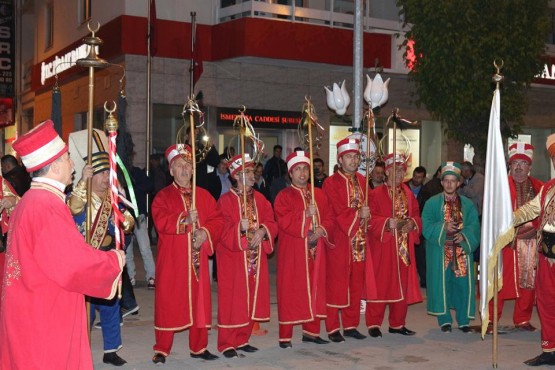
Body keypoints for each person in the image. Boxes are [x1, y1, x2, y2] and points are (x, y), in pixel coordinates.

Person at [0, 120, 125, 369]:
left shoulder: (29, 200)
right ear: (55, 165)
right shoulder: (46, 205)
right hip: (45, 313)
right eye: (68, 158)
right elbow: (70, 263)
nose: (72, 165)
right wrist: (113, 260)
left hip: (29, 306)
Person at [151, 144, 223, 364]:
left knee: (200, 302)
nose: (184, 170)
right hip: (173, 261)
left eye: (188, 165)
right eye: (180, 166)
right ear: (171, 170)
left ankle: (199, 347)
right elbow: (161, 222)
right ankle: (162, 348)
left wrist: (205, 232)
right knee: (168, 301)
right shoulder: (162, 197)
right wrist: (184, 219)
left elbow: (218, 220)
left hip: (198, 260)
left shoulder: (204, 196)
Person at [69, 149, 135, 366]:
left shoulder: (113, 198)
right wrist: (81, 182)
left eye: (109, 172)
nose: (107, 177)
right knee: (84, 309)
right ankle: (80, 349)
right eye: (102, 173)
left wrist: (125, 221)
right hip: (86, 259)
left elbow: (128, 223)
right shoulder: (81, 195)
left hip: (108, 258)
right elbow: (73, 207)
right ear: (91, 174)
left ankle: (111, 350)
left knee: (110, 305)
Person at [215, 153, 277, 358]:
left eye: (252, 171)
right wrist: (237, 229)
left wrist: (262, 230)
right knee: (232, 300)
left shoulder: (260, 198)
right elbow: (220, 230)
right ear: (236, 175)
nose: (253, 175)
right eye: (248, 172)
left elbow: (271, 221)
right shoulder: (225, 201)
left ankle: (242, 339)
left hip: (256, 260)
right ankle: (226, 343)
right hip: (234, 259)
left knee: (251, 299)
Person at [275, 151, 333, 349]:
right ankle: (285, 336)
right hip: (293, 252)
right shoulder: (283, 196)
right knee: (291, 292)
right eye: (297, 169)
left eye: (305, 169)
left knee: (315, 289)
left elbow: (330, 217)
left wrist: (321, 229)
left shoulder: (320, 194)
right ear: (290, 173)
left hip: (316, 252)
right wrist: (305, 214)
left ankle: (312, 332)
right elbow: (283, 221)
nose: (302, 173)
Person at [323, 137, 376, 343]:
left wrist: (367, 217)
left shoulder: (363, 182)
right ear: (340, 159)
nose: (353, 161)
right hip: (340, 241)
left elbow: (370, 210)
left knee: (356, 284)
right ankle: (332, 327)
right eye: (349, 157)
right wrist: (358, 214)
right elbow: (336, 211)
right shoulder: (331, 182)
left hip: (360, 242)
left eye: (356, 157)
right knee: (336, 285)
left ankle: (351, 324)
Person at [488, 143, 543, 334]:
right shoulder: (498, 187)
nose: (519, 167)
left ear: (530, 166)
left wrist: (532, 228)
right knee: (498, 281)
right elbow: (490, 214)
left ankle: (522, 319)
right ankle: (491, 318)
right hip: (505, 243)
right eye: (515, 163)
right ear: (509, 166)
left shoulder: (540, 187)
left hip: (529, 242)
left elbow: (546, 214)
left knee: (528, 282)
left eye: (523, 163)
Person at [367, 153, 422, 337]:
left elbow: (416, 214)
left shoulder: (408, 193)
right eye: (395, 170)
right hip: (383, 246)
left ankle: (397, 324)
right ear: (387, 172)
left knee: (403, 286)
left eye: (402, 170)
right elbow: (369, 220)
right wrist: (385, 223)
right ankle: (373, 323)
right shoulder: (375, 194)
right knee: (381, 284)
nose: (399, 174)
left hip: (403, 247)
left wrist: (412, 223)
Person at [421, 162, 480, 333]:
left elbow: (474, 225)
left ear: (459, 183)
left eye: (452, 181)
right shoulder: (432, 203)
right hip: (440, 251)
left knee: (462, 286)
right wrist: (443, 227)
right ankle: (444, 319)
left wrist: (465, 235)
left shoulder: (467, 204)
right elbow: (426, 224)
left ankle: (463, 320)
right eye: (446, 180)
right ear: (441, 182)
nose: (449, 184)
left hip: (461, 250)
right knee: (442, 285)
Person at [512, 134, 555, 366]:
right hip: (547, 256)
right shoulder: (548, 187)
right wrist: (507, 221)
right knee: (547, 304)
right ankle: (549, 350)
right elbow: (530, 211)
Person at [126, 154, 156, 289]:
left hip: (138, 216)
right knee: (128, 249)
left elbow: (150, 185)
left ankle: (151, 276)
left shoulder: (137, 172)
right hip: (125, 216)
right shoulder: (118, 175)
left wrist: (135, 189)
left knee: (144, 247)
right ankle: (130, 276)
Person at [405, 166, 427, 288]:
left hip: (418, 226)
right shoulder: (404, 187)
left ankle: (423, 279)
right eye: (415, 176)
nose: (416, 179)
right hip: (404, 225)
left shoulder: (425, 191)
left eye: (419, 177)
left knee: (420, 255)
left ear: (423, 178)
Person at [459, 161, 484, 263]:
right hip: (465, 213)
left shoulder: (479, 178)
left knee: (476, 234)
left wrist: (461, 186)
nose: (461, 174)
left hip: (478, 212)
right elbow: (459, 194)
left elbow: (473, 193)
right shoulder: (464, 180)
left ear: (467, 171)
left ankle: (477, 258)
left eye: (462, 172)